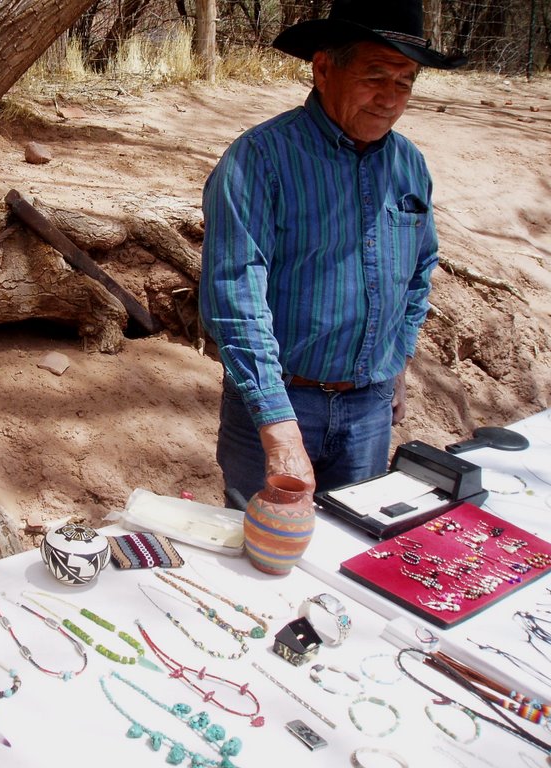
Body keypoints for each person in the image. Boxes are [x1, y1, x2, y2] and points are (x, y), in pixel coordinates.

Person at [199, 0, 465, 504]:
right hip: (277, 404)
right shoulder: (258, 161)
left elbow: (419, 271)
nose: (390, 98)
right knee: (262, 561)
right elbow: (233, 298)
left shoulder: (409, 164)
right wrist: (278, 428)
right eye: (375, 76)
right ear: (324, 69)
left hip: (369, 410)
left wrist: (396, 359)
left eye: (405, 81)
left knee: (351, 556)